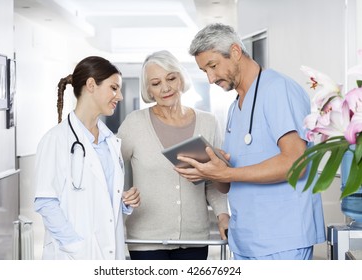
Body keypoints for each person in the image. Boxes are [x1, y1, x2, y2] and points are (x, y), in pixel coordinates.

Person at [175, 23, 326, 260]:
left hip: (281, 241)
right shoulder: (235, 107)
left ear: (235, 51)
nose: (211, 78)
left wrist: (226, 174)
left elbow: (297, 163)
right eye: (205, 71)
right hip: (245, 241)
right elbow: (230, 182)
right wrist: (210, 169)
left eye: (213, 66)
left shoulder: (278, 89)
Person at [116, 50, 230, 260]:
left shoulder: (208, 122)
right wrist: (119, 197)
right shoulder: (134, 123)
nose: (165, 88)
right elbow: (109, 167)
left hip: (194, 239)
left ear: (181, 78)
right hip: (146, 240)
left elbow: (214, 181)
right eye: (156, 83)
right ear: (148, 89)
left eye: (171, 78)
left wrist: (223, 216)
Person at [34, 56, 140, 260]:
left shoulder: (111, 141)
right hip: (74, 256)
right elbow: (46, 202)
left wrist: (124, 202)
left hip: (108, 252)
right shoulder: (55, 139)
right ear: (91, 85)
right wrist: (74, 246)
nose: (120, 97)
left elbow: (101, 199)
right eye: (114, 88)